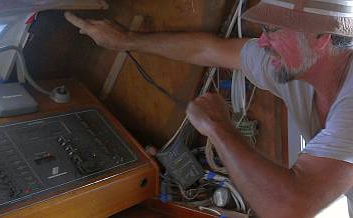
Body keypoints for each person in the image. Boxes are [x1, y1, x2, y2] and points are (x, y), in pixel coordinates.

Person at [64, 0, 353, 216]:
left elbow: (289, 208)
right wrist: (125, 40)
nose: (262, 41)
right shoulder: (291, 63)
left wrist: (218, 127)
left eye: (272, 29)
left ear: (320, 37)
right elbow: (209, 50)